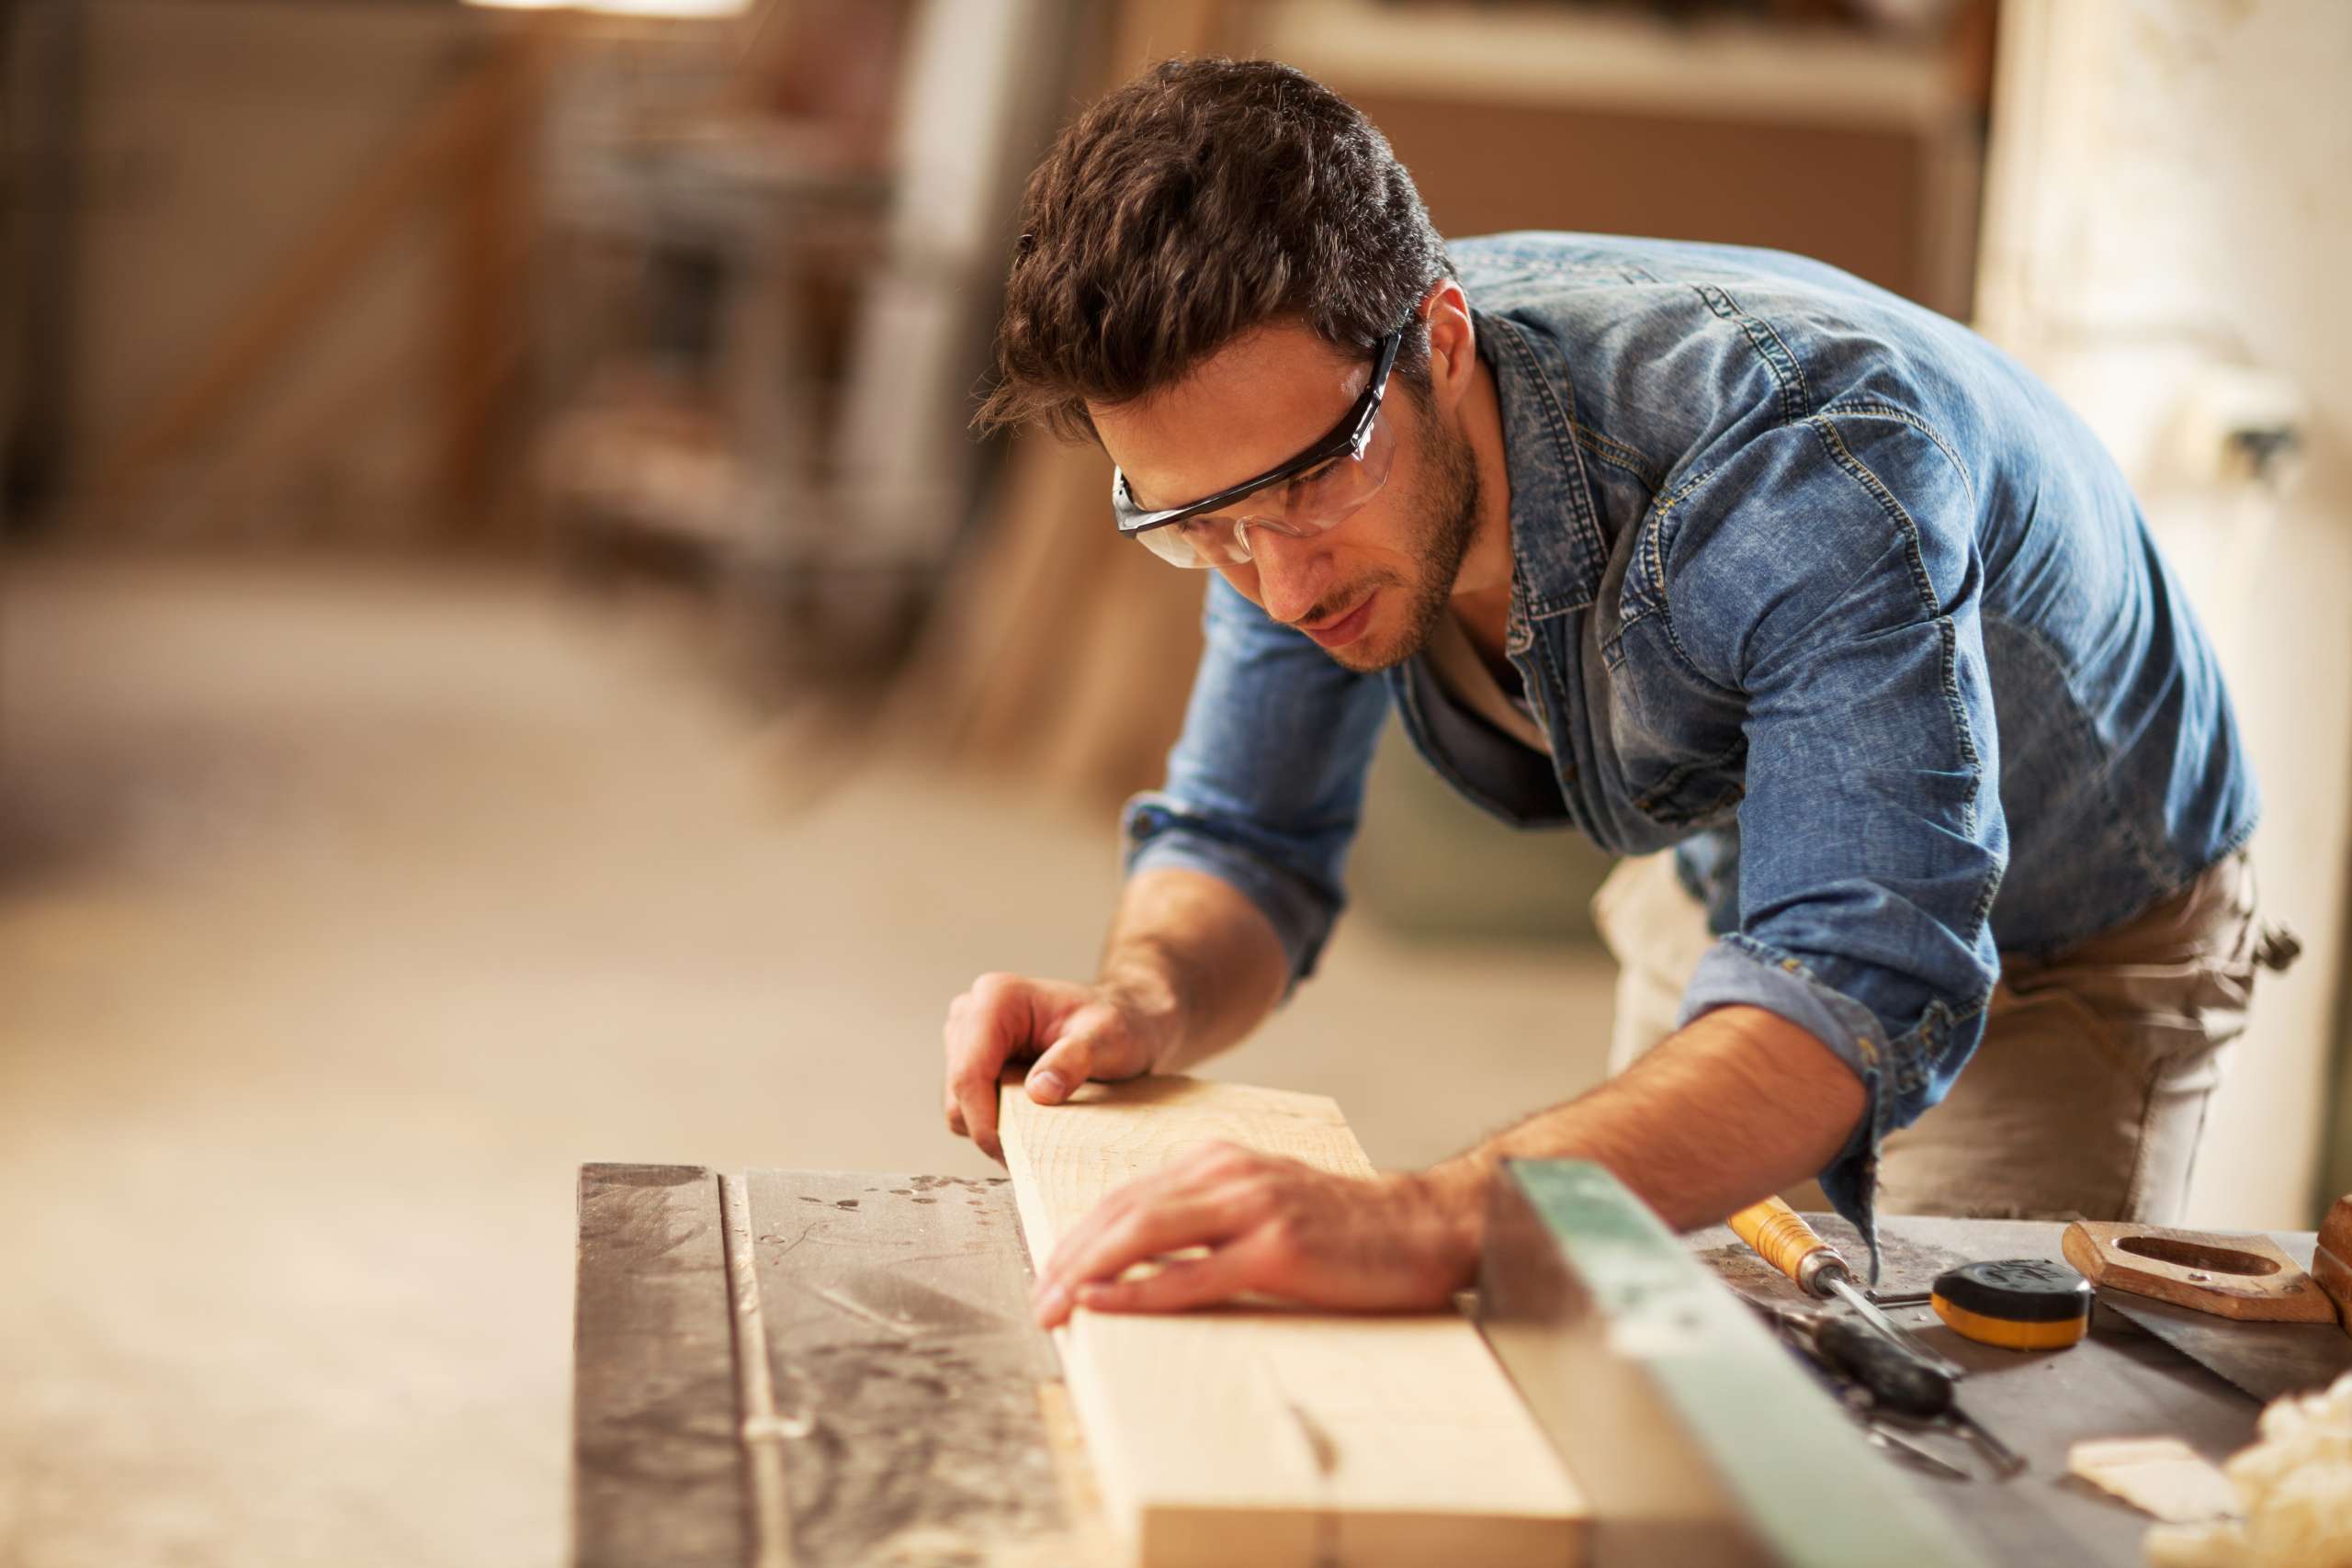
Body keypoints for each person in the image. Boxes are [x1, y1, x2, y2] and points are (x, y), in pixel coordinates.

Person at [939, 58, 2297, 1330]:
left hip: (2066, 934)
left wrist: (1414, 1220)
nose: (1279, 589)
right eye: (1200, 527)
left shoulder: (1801, 477)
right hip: (1730, 850)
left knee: (1940, 1450)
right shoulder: (1296, 442)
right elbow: (1246, 838)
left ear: (1443, 339)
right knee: (1655, 1358)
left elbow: (1854, 989)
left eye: (1303, 489)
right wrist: (1149, 993)